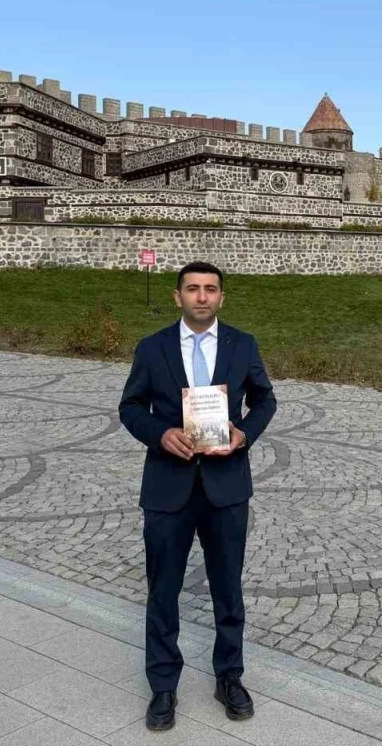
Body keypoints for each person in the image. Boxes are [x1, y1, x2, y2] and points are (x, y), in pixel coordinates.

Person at [118, 261, 277, 731]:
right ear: (178, 296)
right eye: (193, 289)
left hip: (226, 486)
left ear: (222, 297)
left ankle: (229, 677)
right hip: (169, 486)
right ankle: (163, 685)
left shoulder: (243, 344)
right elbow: (130, 406)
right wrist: (159, 433)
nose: (202, 297)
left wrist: (244, 434)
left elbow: (265, 399)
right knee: (162, 590)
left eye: (210, 289)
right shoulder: (153, 348)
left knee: (228, 589)